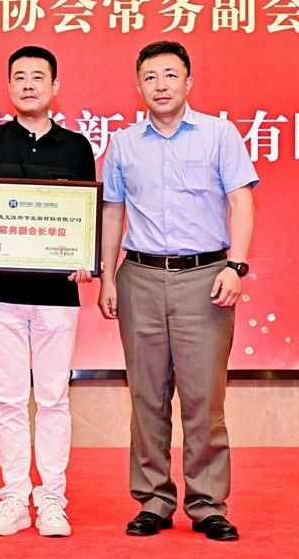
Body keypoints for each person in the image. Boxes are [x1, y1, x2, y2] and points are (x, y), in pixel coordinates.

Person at [97, 41, 258, 541]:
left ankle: (208, 504)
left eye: (170, 75)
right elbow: (112, 212)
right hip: (140, 277)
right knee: (147, 397)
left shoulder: (218, 134)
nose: (160, 85)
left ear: (189, 82)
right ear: (138, 86)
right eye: (150, 77)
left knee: (203, 398)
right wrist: (107, 276)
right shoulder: (124, 144)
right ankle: (153, 500)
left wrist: (237, 266)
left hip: (204, 279)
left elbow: (242, 201)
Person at [0, 45, 96, 537]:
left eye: (38, 76)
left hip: (57, 294)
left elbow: (85, 217)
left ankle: (52, 499)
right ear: (8, 86)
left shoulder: (76, 147)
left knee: (53, 398)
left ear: (55, 86)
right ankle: (14, 497)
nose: (29, 84)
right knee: (9, 399)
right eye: (19, 76)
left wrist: (85, 259)